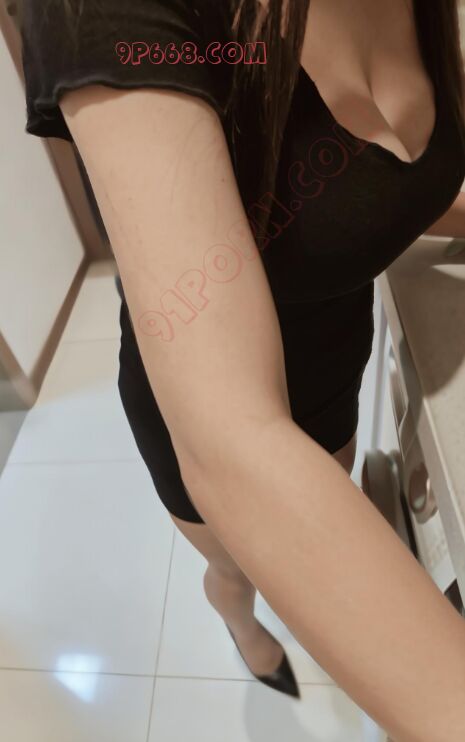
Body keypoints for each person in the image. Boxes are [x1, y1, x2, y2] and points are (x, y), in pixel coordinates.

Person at [19, 0, 465, 739]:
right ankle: (236, 618)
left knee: (323, 502)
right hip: (206, 399)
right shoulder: (128, 17)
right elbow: (232, 443)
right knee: (238, 568)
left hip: (333, 359)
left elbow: (376, 190)